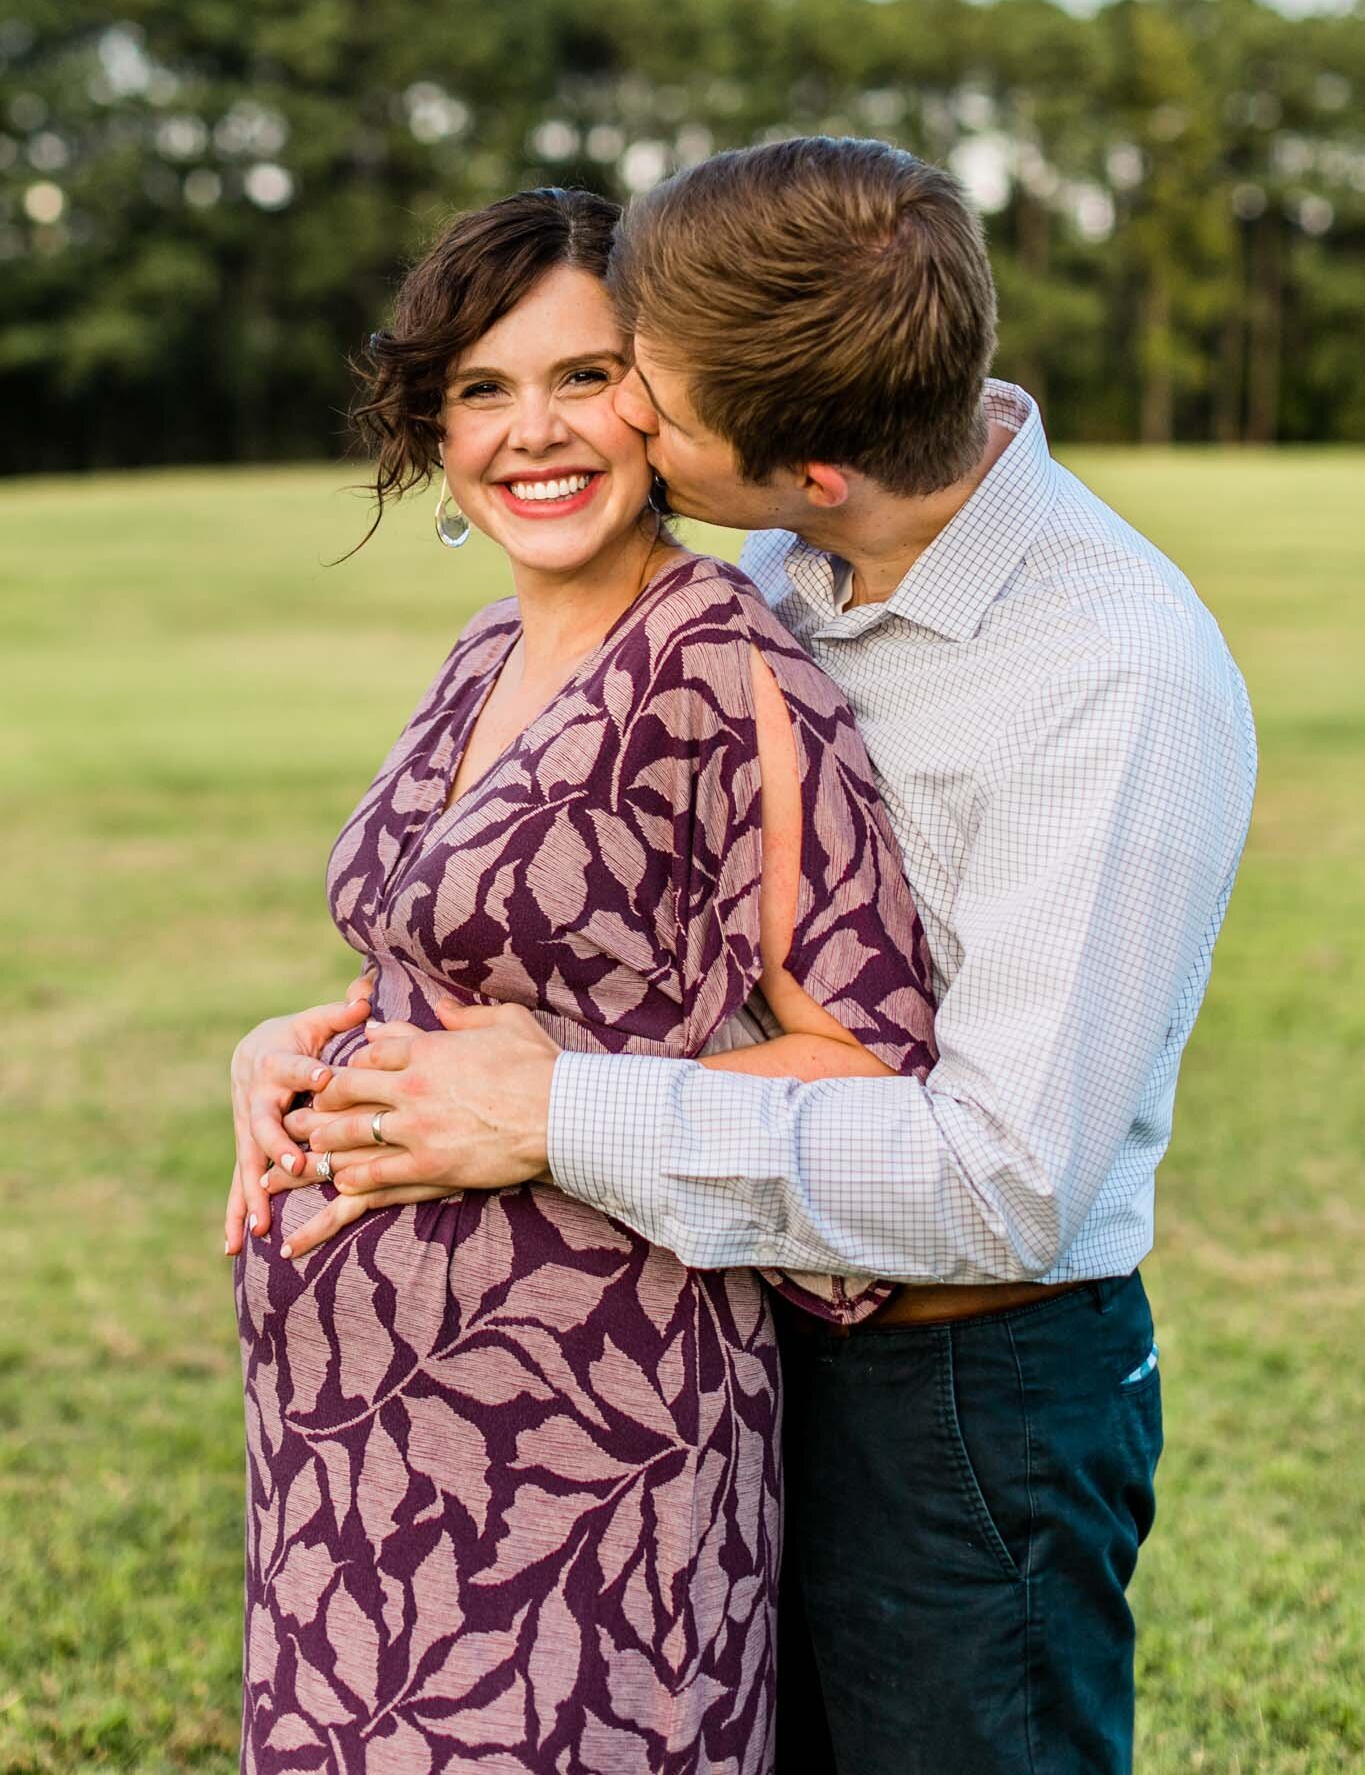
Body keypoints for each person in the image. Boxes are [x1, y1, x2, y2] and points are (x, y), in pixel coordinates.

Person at [239, 139, 1258, 1775]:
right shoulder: (787, 564)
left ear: (813, 467)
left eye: (636, 382)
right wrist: (337, 1052)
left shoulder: (1110, 677)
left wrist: (558, 1113)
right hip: (720, 1316)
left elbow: (1010, 1183)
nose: (613, 417)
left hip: (955, 1388)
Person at [228, 183, 937, 1773]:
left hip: (584, 1445)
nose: (530, 433)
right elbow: (430, 970)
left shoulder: (729, 670)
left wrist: (557, 1117)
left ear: (666, 400)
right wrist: (286, 1052)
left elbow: (873, 1059)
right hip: (347, 1458)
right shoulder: (482, 649)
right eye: (482, 388)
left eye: (582, 375)